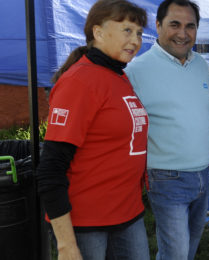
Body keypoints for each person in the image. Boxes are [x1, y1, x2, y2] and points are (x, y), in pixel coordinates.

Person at [35, 1, 150, 259]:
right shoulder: (80, 81)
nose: (136, 40)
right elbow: (51, 168)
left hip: (128, 213)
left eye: (139, 33)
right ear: (98, 33)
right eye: (127, 30)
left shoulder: (119, 76)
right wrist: (66, 244)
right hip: (87, 224)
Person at [125, 0, 209, 259]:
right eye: (174, 25)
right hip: (166, 176)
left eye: (190, 26)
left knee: (186, 250)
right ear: (157, 26)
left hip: (203, 172)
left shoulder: (200, 64)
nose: (183, 33)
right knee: (176, 253)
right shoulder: (136, 70)